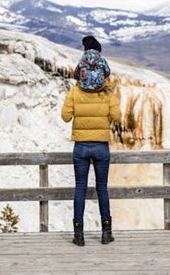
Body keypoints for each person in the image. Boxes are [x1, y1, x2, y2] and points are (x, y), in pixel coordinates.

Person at [61, 35, 121, 246]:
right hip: (101, 146)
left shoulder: (75, 91)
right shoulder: (106, 92)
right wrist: (107, 95)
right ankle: (106, 233)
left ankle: (79, 235)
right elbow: (116, 117)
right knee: (102, 188)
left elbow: (65, 116)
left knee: (80, 188)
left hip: (81, 147)